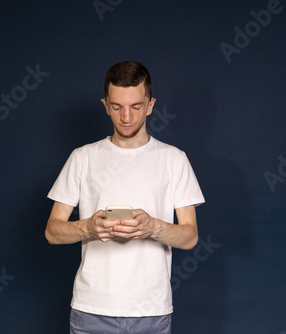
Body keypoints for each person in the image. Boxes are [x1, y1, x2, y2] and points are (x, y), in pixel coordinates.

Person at [45, 60, 205, 334]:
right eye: (117, 107)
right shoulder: (83, 158)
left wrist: (153, 226)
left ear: (151, 105)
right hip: (91, 309)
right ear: (106, 105)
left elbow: (190, 237)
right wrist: (89, 227)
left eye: (136, 107)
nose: (126, 117)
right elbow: (52, 231)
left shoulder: (174, 160)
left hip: (151, 311)